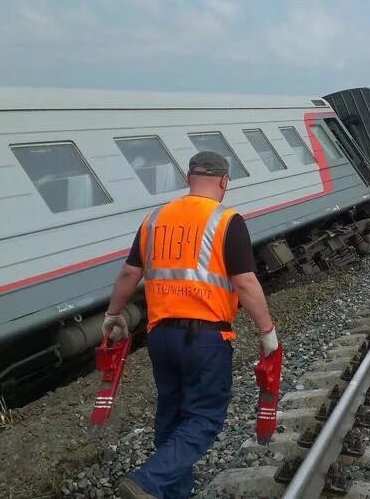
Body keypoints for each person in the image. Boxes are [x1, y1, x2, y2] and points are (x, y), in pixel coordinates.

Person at [102, 151, 279, 499]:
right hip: (205, 338)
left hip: (160, 335)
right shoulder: (227, 220)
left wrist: (113, 314)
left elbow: (128, 273)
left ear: (188, 177)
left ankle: (172, 493)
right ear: (224, 180)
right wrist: (267, 332)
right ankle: (147, 482)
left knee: (171, 415)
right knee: (204, 418)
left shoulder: (155, 218)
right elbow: (244, 282)